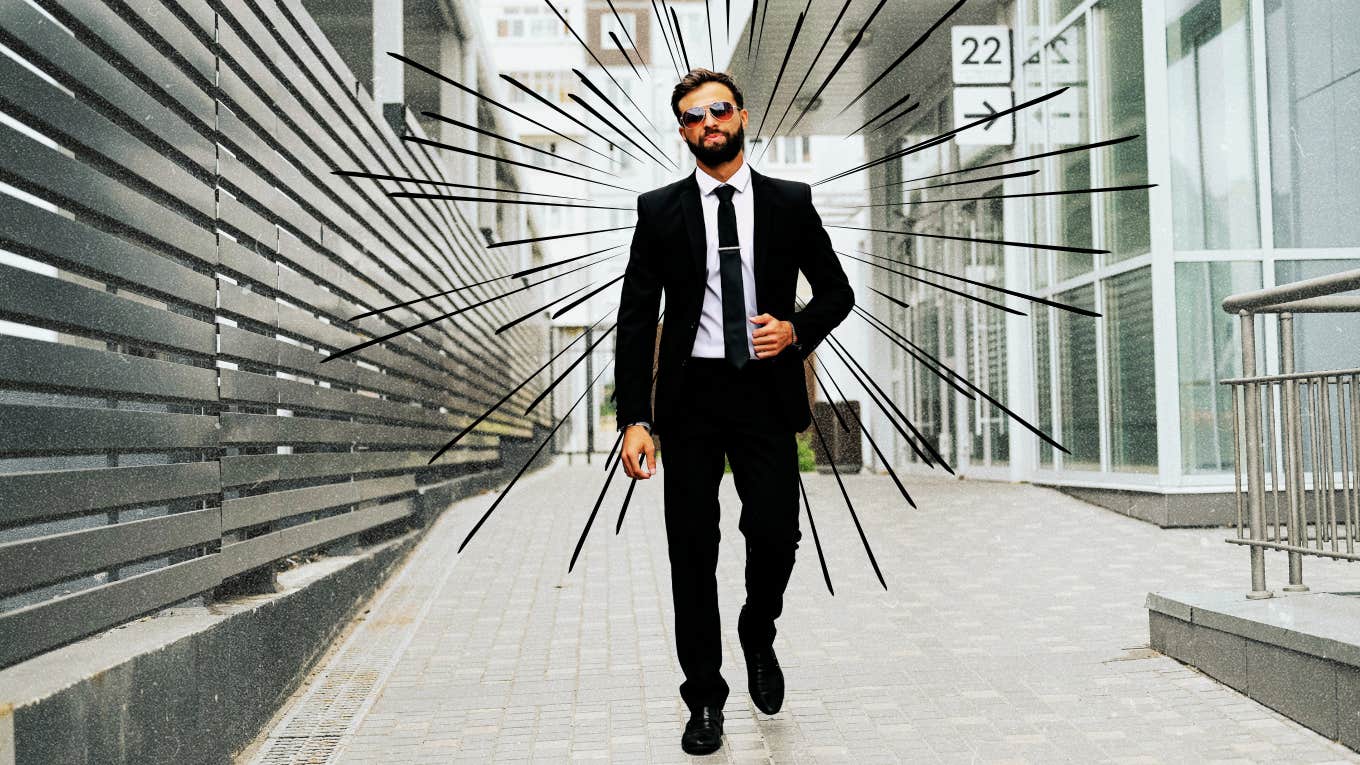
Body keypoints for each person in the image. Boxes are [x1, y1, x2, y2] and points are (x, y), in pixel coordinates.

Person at [613, 68, 855, 755]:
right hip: (689, 401)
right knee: (692, 553)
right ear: (684, 130)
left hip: (764, 393)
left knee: (777, 532)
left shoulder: (788, 201)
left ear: (742, 115)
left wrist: (797, 331)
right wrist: (637, 416)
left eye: (719, 110)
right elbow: (637, 319)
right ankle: (705, 701)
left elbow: (837, 292)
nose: (708, 122)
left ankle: (758, 629)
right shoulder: (658, 211)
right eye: (693, 116)